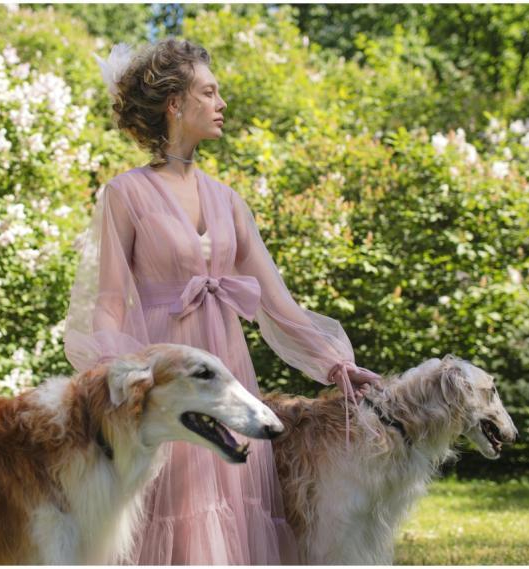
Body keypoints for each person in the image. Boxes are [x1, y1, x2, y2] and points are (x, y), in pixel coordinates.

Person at [64, 38, 382, 565]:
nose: (221, 103)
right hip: (165, 376)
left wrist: (336, 363)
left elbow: (277, 302)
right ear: (174, 104)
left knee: (229, 501)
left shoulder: (229, 200)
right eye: (209, 92)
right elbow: (111, 301)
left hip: (227, 370)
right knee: (166, 502)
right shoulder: (126, 194)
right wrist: (109, 377)